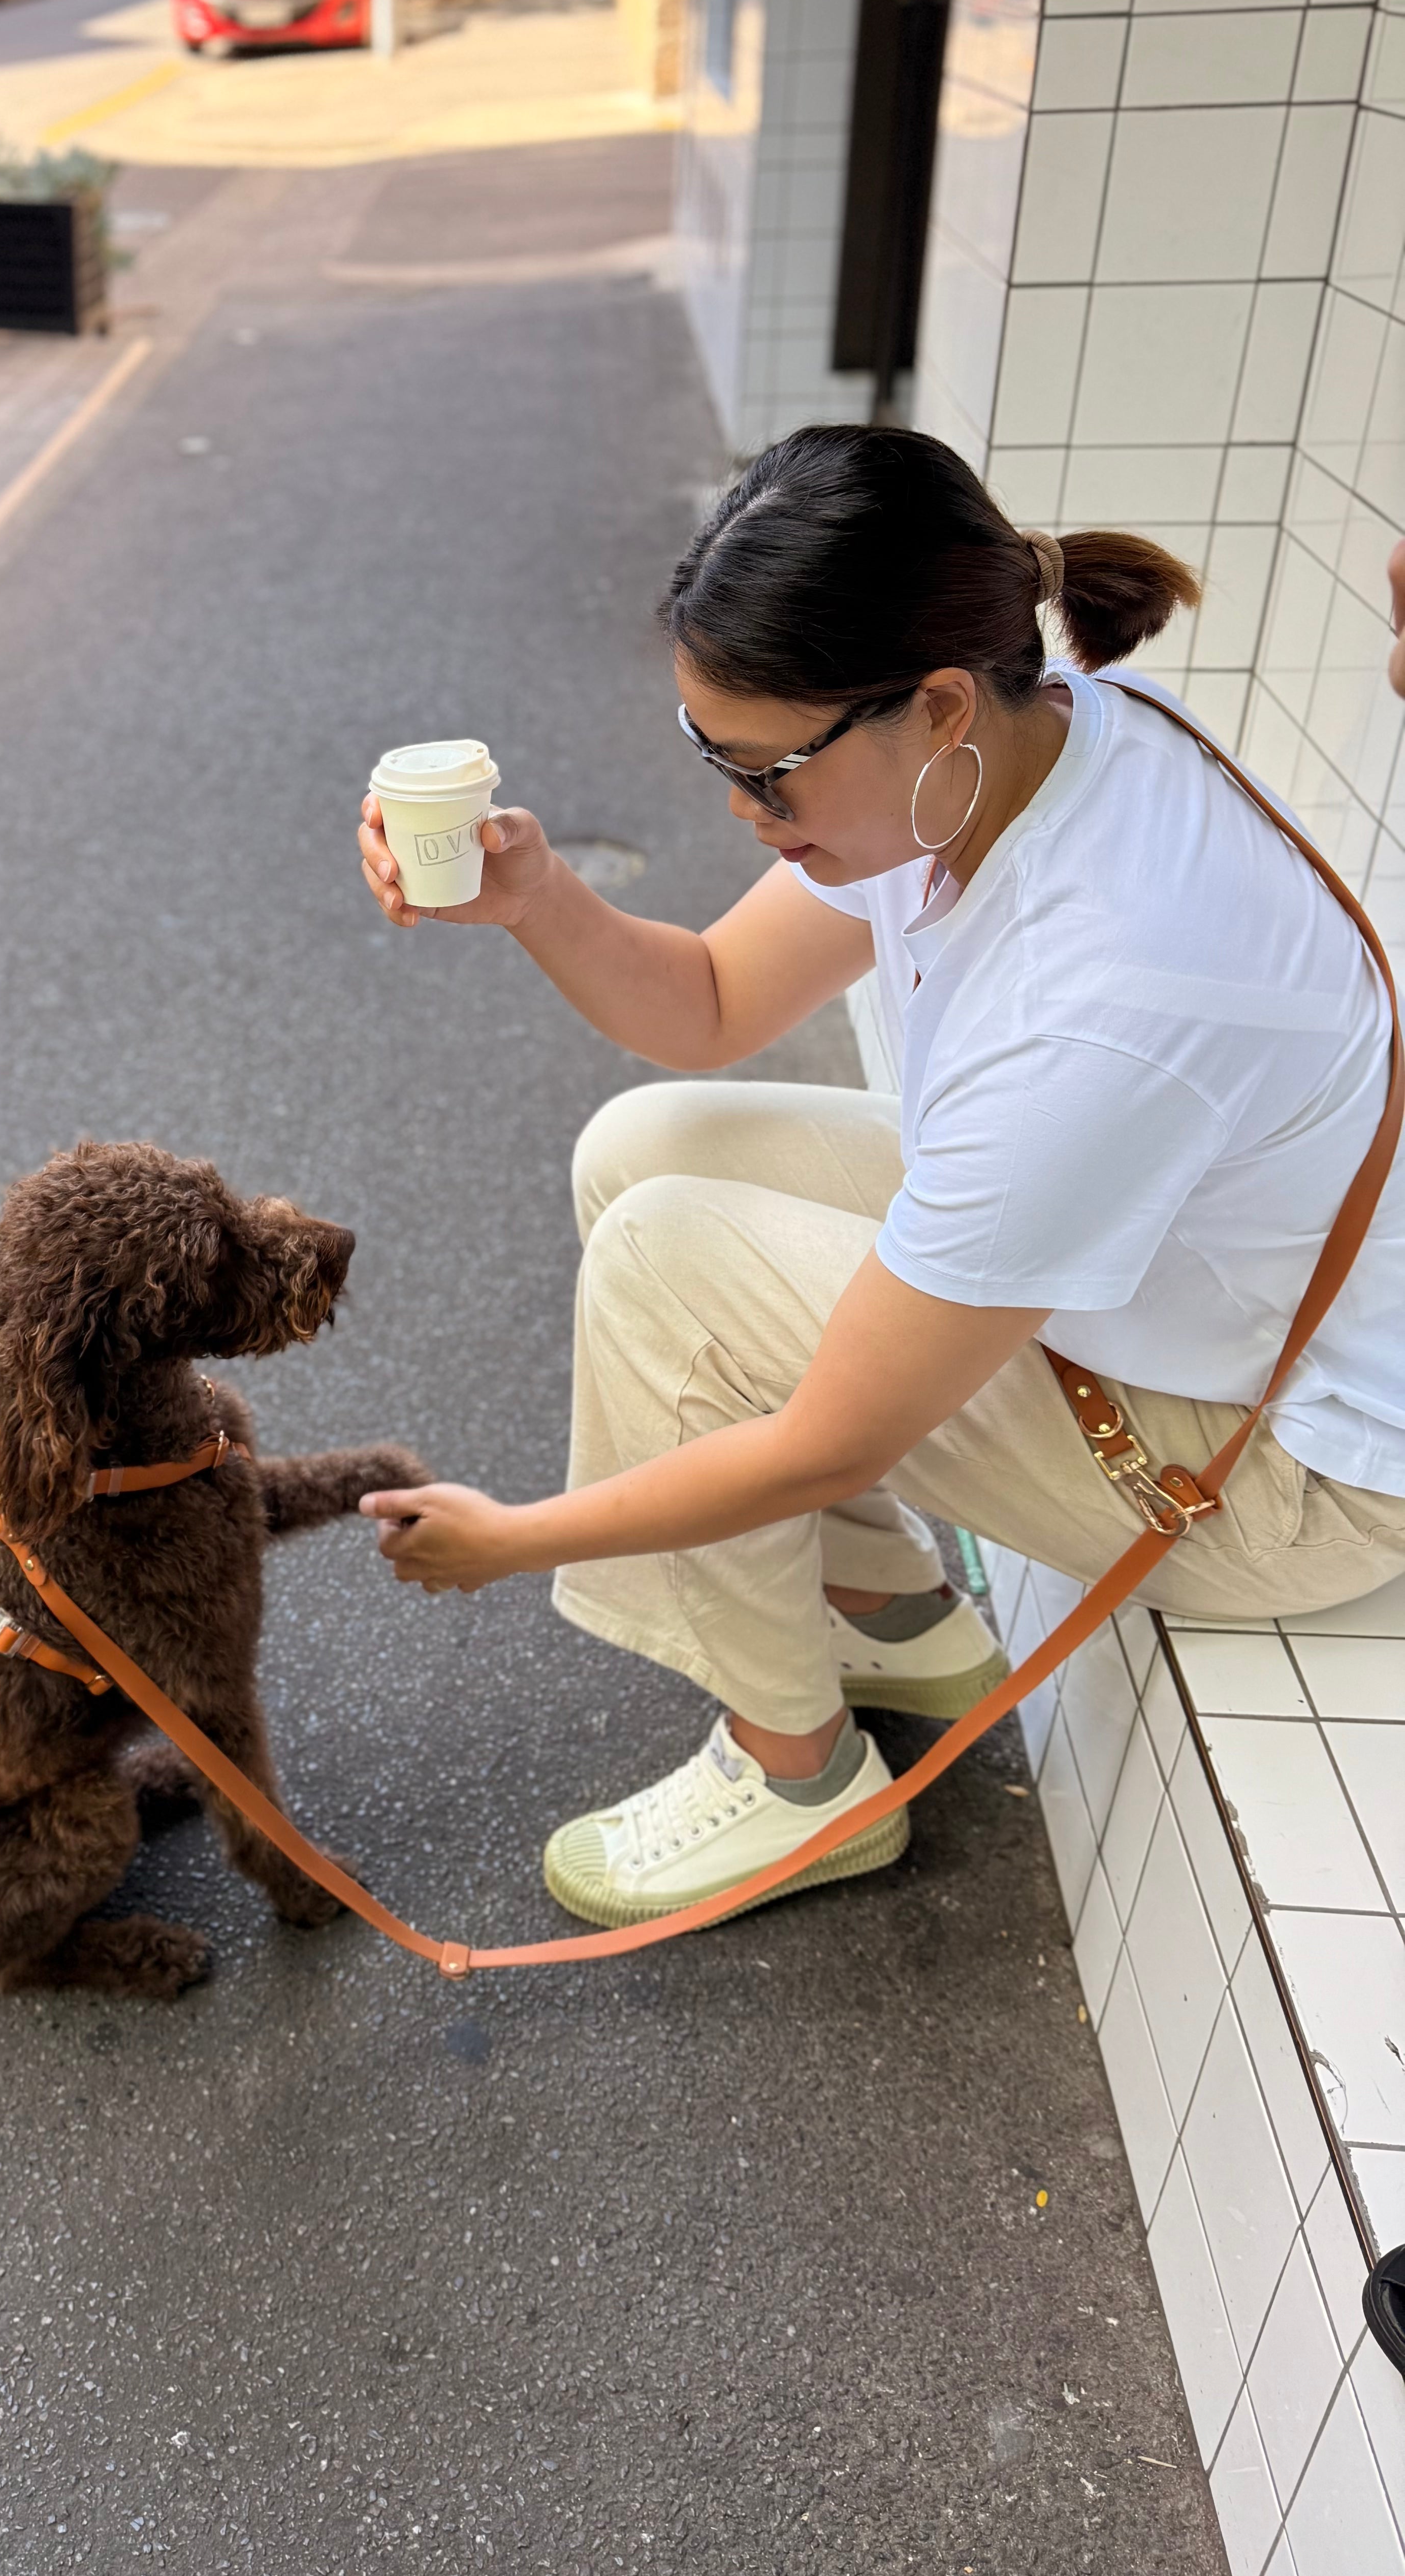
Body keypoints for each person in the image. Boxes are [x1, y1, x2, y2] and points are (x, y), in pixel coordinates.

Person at [353, 425, 1405, 1928]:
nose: (741, 814)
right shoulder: (1024, 752)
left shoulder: (1103, 991)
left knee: (669, 1263)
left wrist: (509, 1542)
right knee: (645, 1149)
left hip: (1273, 1481)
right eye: (708, 760)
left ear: (932, 703)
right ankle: (892, 1613)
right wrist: (530, 895)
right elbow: (708, 1001)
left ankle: (800, 1783)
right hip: (1197, 1320)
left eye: (767, 775)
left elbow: (823, 1443)